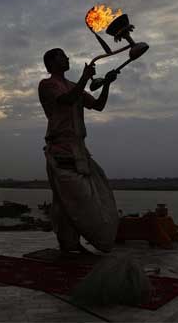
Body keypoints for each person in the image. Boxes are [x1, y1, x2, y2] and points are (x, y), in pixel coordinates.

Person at [38, 48, 119, 254]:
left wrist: (107, 83)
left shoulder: (74, 86)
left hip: (79, 150)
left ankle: (73, 244)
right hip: (60, 149)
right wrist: (84, 78)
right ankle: (69, 245)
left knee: (83, 197)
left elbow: (98, 105)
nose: (67, 58)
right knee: (70, 200)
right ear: (52, 63)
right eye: (62, 56)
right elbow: (67, 100)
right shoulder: (47, 85)